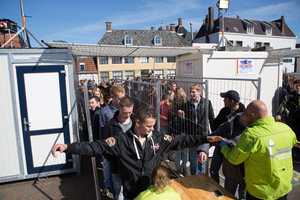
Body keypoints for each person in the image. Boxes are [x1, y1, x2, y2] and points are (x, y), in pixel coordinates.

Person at [52, 106, 225, 199]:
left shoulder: (157, 138)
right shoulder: (120, 141)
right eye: (148, 126)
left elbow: (181, 141)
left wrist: (205, 139)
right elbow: (94, 147)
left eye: (153, 126)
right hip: (132, 194)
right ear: (137, 122)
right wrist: (69, 147)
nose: (152, 129)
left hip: (152, 193)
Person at [221, 100, 299, 200]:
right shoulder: (286, 128)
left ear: (253, 114)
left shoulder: (251, 135)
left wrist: (224, 146)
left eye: (245, 114)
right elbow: (293, 142)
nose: (243, 115)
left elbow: (234, 159)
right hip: (282, 188)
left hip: (260, 192)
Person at [197, 92, 247, 199]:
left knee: (243, 188)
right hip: (221, 147)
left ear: (231, 101)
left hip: (240, 160)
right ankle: (217, 191)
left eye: (225, 99)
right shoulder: (224, 111)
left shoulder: (244, 116)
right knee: (214, 170)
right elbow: (216, 126)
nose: (223, 100)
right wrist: (209, 145)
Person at [180, 83, 215, 175]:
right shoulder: (187, 104)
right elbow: (184, 120)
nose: (191, 94)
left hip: (203, 135)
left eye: (193, 92)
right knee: (192, 159)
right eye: (190, 92)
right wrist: (182, 117)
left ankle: (200, 176)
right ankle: (193, 177)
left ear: (199, 92)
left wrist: (213, 133)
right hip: (192, 135)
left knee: (201, 158)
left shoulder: (207, 103)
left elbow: (211, 118)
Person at [99, 84, 126, 196]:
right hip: (110, 147)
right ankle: (108, 185)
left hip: (123, 148)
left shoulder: (126, 109)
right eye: (119, 99)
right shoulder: (105, 112)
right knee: (107, 166)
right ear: (112, 96)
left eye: (123, 98)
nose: (121, 101)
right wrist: (105, 150)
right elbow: (101, 132)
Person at [168, 89, 189, 177]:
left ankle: (185, 168)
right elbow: (170, 122)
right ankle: (178, 170)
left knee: (185, 152)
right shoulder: (172, 109)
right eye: (177, 100)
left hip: (185, 133)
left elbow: (188, 123)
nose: (178, 102)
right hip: (176, 134)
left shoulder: (187, 108)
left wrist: (183, 118)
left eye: (180, 100)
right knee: (177, 152)